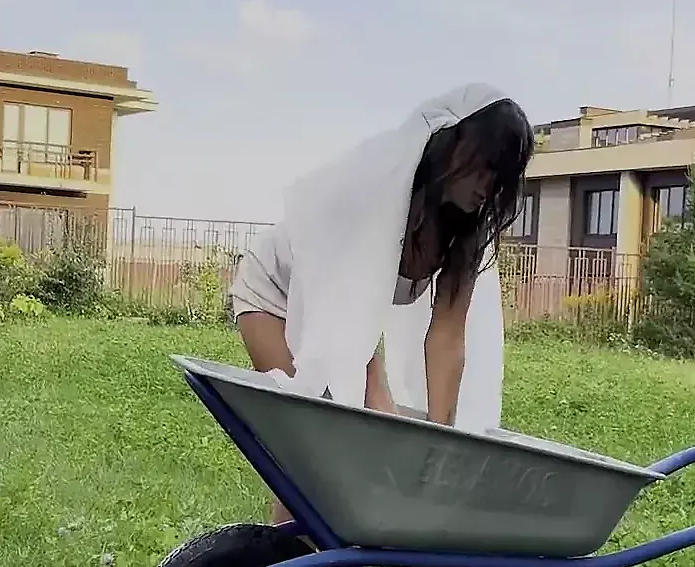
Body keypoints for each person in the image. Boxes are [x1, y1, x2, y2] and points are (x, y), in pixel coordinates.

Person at [228, 84, 532, 523]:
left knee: (369, 443)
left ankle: (322, 559)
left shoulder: (465, 233)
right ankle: (289, 560)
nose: (489, 186)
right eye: (485, 165)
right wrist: (366, 393)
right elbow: (341, 306)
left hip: (350, 316)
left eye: (500, 175)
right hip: (277, 292)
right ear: (451, 144)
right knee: (314, 443)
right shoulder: (377, 195)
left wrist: (438, 444)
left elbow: (447, 338)